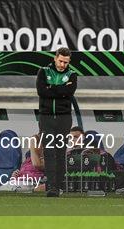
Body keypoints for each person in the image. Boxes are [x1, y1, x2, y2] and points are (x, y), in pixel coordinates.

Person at [36, 47, 78, 197]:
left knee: (60, 152)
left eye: (66, 62)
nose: (62, 65)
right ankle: (52, 186)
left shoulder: (72, 74)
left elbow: (68, 92)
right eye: (60, 61)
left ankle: (58, 186)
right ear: (55, 58)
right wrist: (60, 89)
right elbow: (41, 91)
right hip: (46, 117)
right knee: (48, 151)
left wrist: (51, 89)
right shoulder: (44, 71)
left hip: (64, 118)